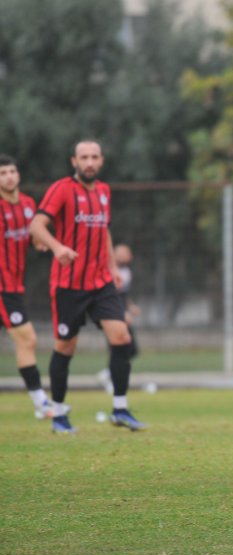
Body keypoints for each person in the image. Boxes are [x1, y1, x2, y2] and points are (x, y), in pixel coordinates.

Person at [30, 139, 146, 433]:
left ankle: (120, 408)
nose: (90, 162)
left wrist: (111, 268)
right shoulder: (62, 189)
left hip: (101, 282)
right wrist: (57, 248)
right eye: (84, 157)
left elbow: (103, 229)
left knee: (121, 337)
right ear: (74, 162)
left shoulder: (104, 192)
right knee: (66, 346)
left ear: (102, 161)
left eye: (94, 157)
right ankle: (58, 414)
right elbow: (36, 226)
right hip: (69, 284)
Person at [0, 154, 54, 419]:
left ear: (18, 175)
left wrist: (39, 242)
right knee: (28, 338)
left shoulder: (29, 205)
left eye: (11, 171)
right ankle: (41, 403)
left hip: (14, 285)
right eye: (2, 173)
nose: (8, 176)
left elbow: (34, 236)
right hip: (2, 286)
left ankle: (40, 402)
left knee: (26, 340)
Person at [97, 243, 141, 392]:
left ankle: (109, 374)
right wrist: (122, 313)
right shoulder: (108, 271)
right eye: (121, 252)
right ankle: (112, 378)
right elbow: (110, 296)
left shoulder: (127, 271)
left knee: (131, 349)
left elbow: (123, 294)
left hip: (122, 311)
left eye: (127, 252)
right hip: (113, 313)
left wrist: (131, 306)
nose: (125, 255)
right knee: (118, 346)